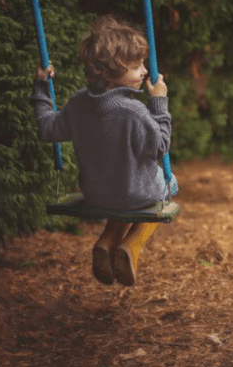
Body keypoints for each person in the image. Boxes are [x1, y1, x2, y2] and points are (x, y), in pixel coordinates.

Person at [31, 15, 174, 287]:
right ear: (107, 74)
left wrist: (40, 87)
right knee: (168, 184)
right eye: (136, 67)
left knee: (123, 199)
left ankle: (106, 242)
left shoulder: (77, 105)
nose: (144, 72)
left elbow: (46, 129)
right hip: (134, 195)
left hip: (96, 196)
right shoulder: (135, 111)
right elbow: (160, 146)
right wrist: (159, 103)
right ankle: (130, 247)